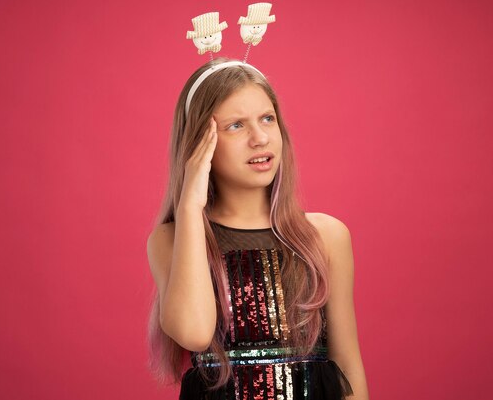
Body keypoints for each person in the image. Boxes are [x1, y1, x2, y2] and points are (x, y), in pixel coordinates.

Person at [147, 56, 369, 399]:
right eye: (236, 125)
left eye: (268, 119)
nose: (260, 138)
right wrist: (191, 206)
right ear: (198, 144)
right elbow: (193, 333)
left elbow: (348, 365)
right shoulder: (172, 240)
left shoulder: (326, 237)